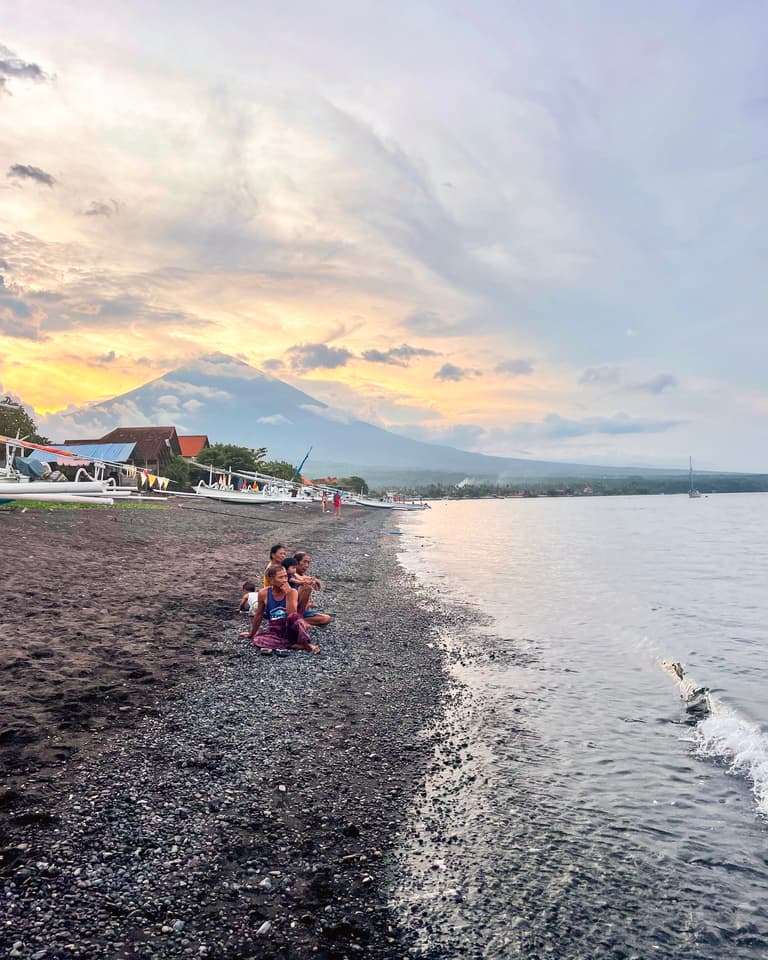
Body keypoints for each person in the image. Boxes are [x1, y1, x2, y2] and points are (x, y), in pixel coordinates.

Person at [240, 564, 319, 655]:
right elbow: (259, 614)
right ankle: (294, 645)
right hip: (276, 630)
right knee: (257, 639)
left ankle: (305, 643)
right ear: (271, 580)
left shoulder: (292, 592)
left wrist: (288, 594)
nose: (285, 580)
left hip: (292, 628)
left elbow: (292, 614)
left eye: (285, 576)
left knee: (296, 618)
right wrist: (251, 634)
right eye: (280, 577)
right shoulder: (263, 593)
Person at [290, 551, 331, 626]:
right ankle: (296, 620)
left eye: (308, 563)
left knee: (326, 618)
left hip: (300, 611)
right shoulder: (289, 574)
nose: (307, 565)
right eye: (304, 562)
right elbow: (299, 578)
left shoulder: (302, 576)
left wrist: (308, 603)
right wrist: (312, 579)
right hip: (289, 610)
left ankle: (298, 621)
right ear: (296, 562)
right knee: (306, 587)